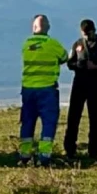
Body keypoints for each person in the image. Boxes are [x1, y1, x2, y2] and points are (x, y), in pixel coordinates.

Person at [62, 19, 97, 161]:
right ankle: (70, 149)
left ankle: (94, 151)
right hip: (79, 82)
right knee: (73, 117)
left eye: (89, 33)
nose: (87, 36)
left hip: (96, 84)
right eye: (84, 34)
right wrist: (82, 65)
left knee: (95, 118)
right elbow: (70, 62)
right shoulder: (77, 44)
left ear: (94, 30)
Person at [18, 14, 68, 166]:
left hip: (28, 89)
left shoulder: (25, 44)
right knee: (48, 122)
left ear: (33, 27)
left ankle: (24, 155)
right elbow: (64, 57)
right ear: (48, 27)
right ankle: (44, 156)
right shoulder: (52, 44)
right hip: (47, 89)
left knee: (27, 122)